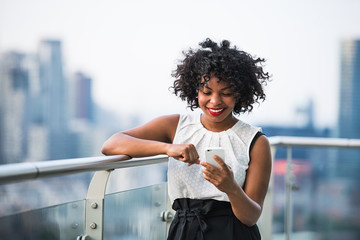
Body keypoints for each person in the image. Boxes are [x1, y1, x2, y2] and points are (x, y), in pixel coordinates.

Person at [101, 38, 272, 240]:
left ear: (240, 94)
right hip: (184, 231)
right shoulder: (176, 126)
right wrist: (168, 148)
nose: (215, 101)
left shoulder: (256, 142)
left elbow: (251, 217)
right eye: (206, 92)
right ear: (194, 90)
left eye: (226, 93)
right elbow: (111, 145)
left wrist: (231, 188)